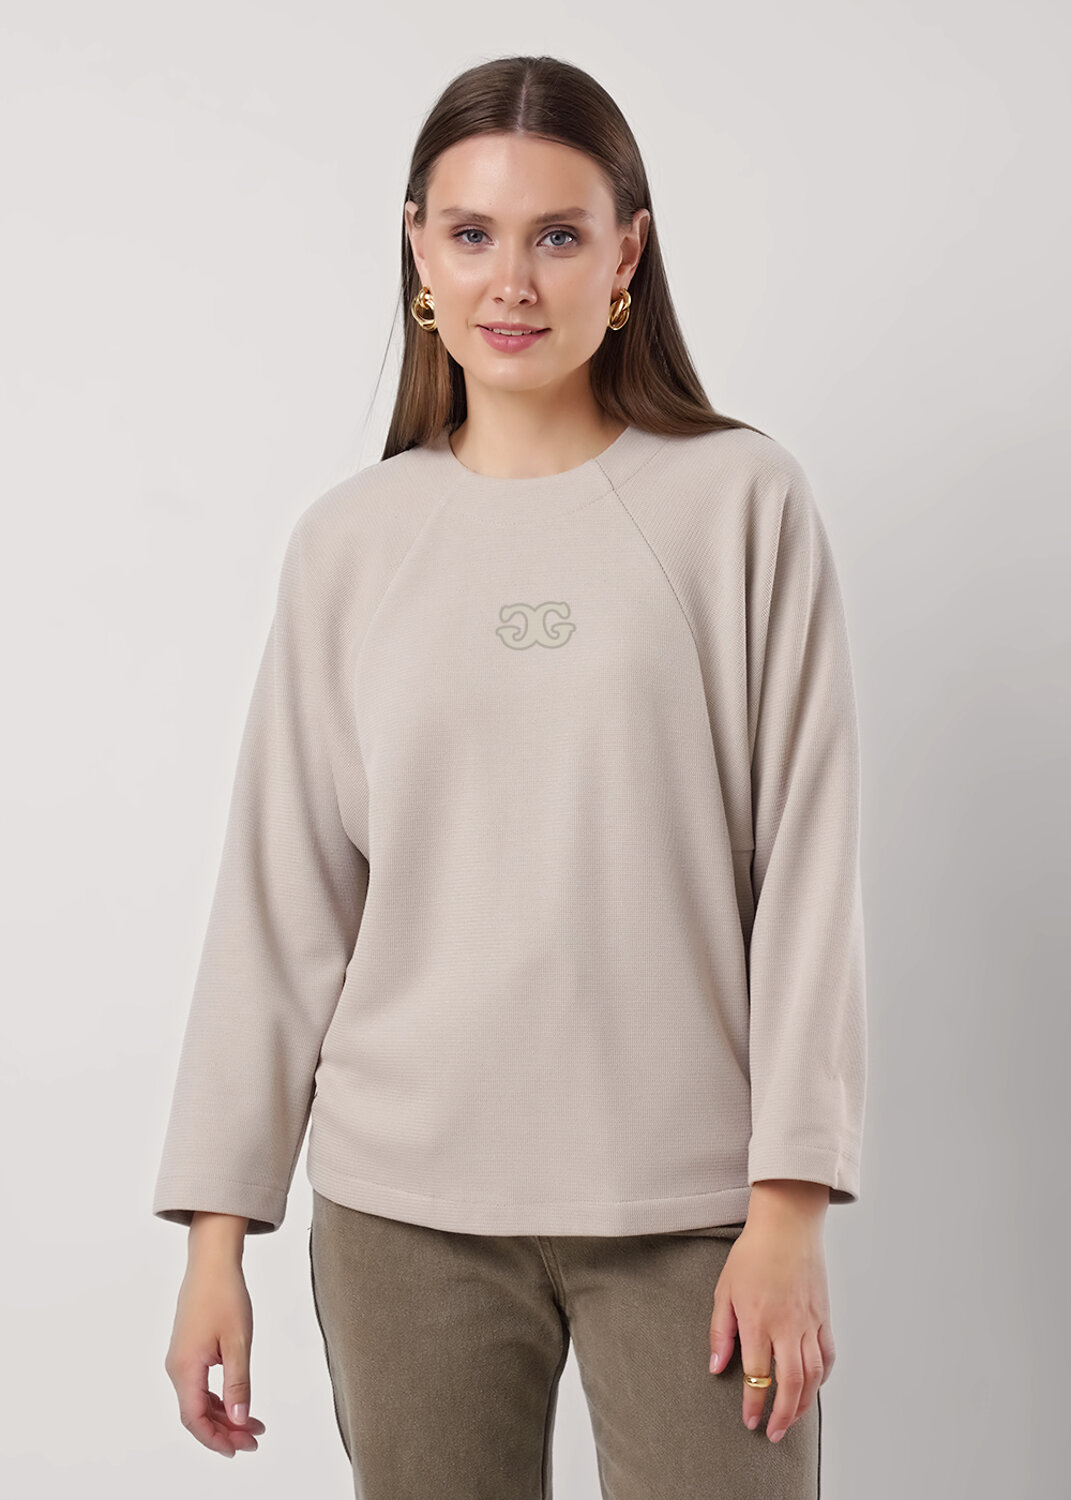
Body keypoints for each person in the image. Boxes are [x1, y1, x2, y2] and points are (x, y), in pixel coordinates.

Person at [154, 53, 867, 1499]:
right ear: (419, 247)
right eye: (474, 232)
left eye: (558, 234)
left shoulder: (740, 504)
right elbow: (281, 901)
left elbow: (809, 875)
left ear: (628, 254)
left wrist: (789, 1207)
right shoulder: (352, 542)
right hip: (403, 1211)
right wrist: (217, 1240)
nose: (514, 281)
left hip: (691, 1208)